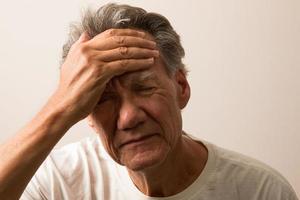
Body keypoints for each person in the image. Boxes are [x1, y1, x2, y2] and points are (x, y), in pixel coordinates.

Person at [0, 3, 298, 200]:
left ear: (181, 87)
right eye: (103, 99)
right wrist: (60, 105)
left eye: (143, 88)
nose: (129, 117)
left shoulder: (261, 191)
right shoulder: (59, 183)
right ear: (85, 113)